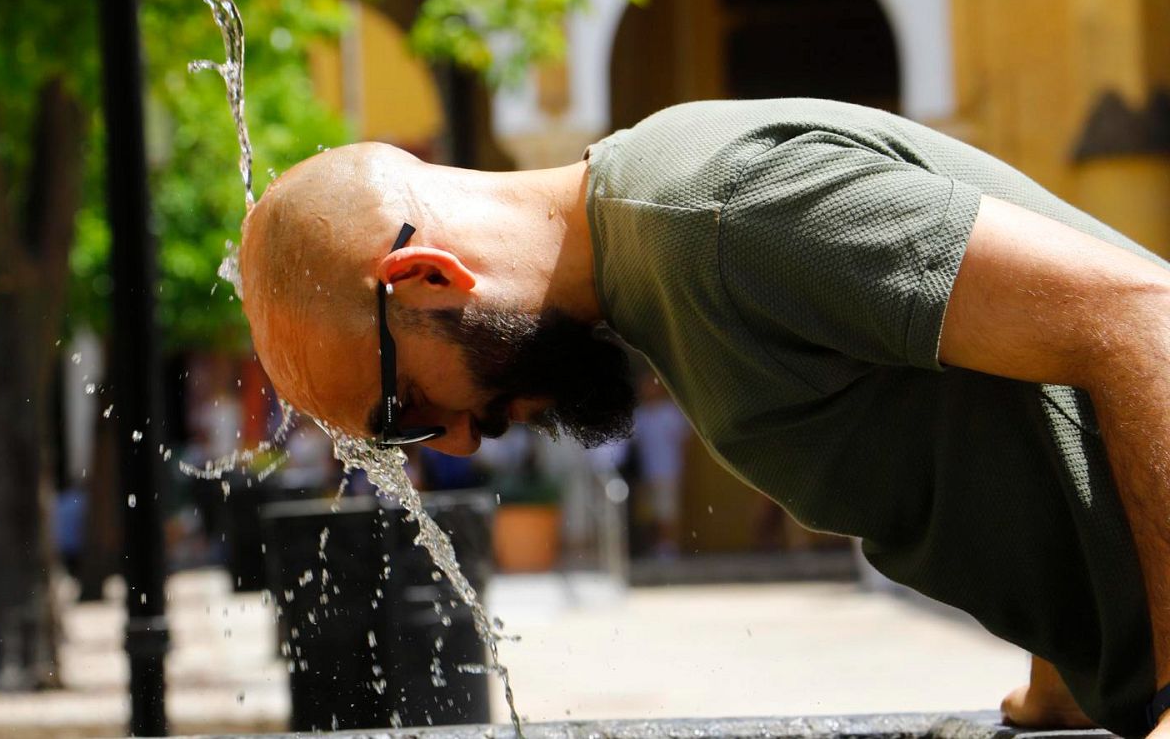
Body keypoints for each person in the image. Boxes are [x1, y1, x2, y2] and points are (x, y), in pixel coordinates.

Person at [238, 98, 1170, 739]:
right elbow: (987, 426)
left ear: (429, 278)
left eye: (405, 411)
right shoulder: (660, 272)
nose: (448, 441)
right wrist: (1070, 684)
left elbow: (1138, 317)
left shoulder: (714, 216)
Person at [629, 370, 688, 560]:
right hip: (646, 473)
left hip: (668, 470)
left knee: (667, 511)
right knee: (648, 513)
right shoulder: (640, 415)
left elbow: (683, 442)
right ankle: (652, 547)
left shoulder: (670, 413)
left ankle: (668, 548)